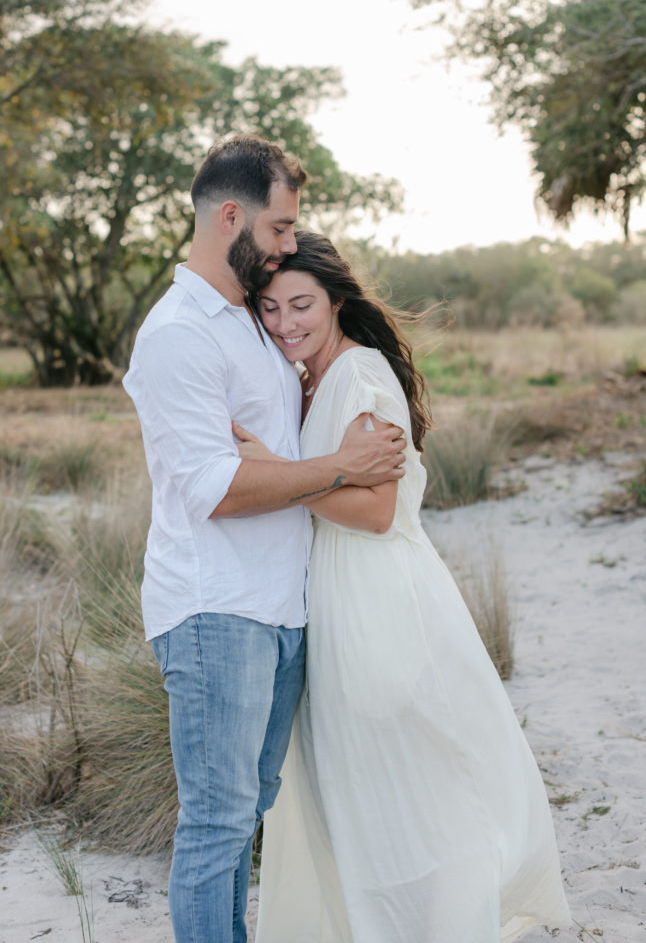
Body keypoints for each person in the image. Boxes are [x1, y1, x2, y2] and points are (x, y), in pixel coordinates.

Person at [236, 230, 571, 943]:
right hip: (329, 596)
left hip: (374, 595)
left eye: (301, 304)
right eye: (269, 309)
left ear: (335, 300)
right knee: (359, 789)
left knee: (400, 780)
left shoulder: (358, 377)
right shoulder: (308, 379)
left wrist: (279, 477)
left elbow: (378, 511)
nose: (286, 322)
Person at [122, 137, 406, 943]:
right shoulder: (180, 333)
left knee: (251, 811)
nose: (289, 245)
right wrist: (339, 466)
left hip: (281, 609)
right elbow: (215, 490)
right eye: (281, 228)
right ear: (233, 215)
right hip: (217, 611)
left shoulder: (249, 318)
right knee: (217, 826)